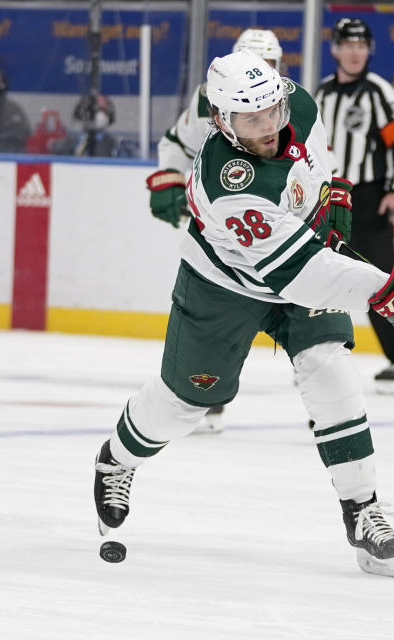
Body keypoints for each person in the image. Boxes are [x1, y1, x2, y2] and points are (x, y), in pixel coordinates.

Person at [93, 49, 394, 578]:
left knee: (331, 370)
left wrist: (330, 200)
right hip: (224, 286)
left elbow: (318, 157)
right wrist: (386, 291)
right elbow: (303, 275)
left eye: (273, 111)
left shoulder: (298, 107)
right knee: (186, 402)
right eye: (252, 119)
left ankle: (363, 511)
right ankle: (117, 458)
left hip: (294, 266)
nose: (270, 126)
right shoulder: (230, 185)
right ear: (221, 121)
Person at [146, 28, 283, 434]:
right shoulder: (210, 97)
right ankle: (206, 392)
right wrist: (169, 178)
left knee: (313, 328)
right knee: (221, 315)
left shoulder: (290, 101)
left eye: (270, 66)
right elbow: (177, 142)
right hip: (223, 232)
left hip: (282, 227)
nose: (262, 76)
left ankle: (325, 403)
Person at [315, 18, 394, 395]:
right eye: (348, 44)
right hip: (329, 199)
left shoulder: (379, 92)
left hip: (369, 199)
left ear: (369, 50)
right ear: (335, 49)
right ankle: (315, 356)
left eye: (361, 45)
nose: (355, 51)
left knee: (380, 283)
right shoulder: (322, 93)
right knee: (319, 280)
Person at [50, 93, 121, 157]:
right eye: (93, 110)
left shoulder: (114, 145)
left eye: (101, 109)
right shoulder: (70, 142)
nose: (96, 114)